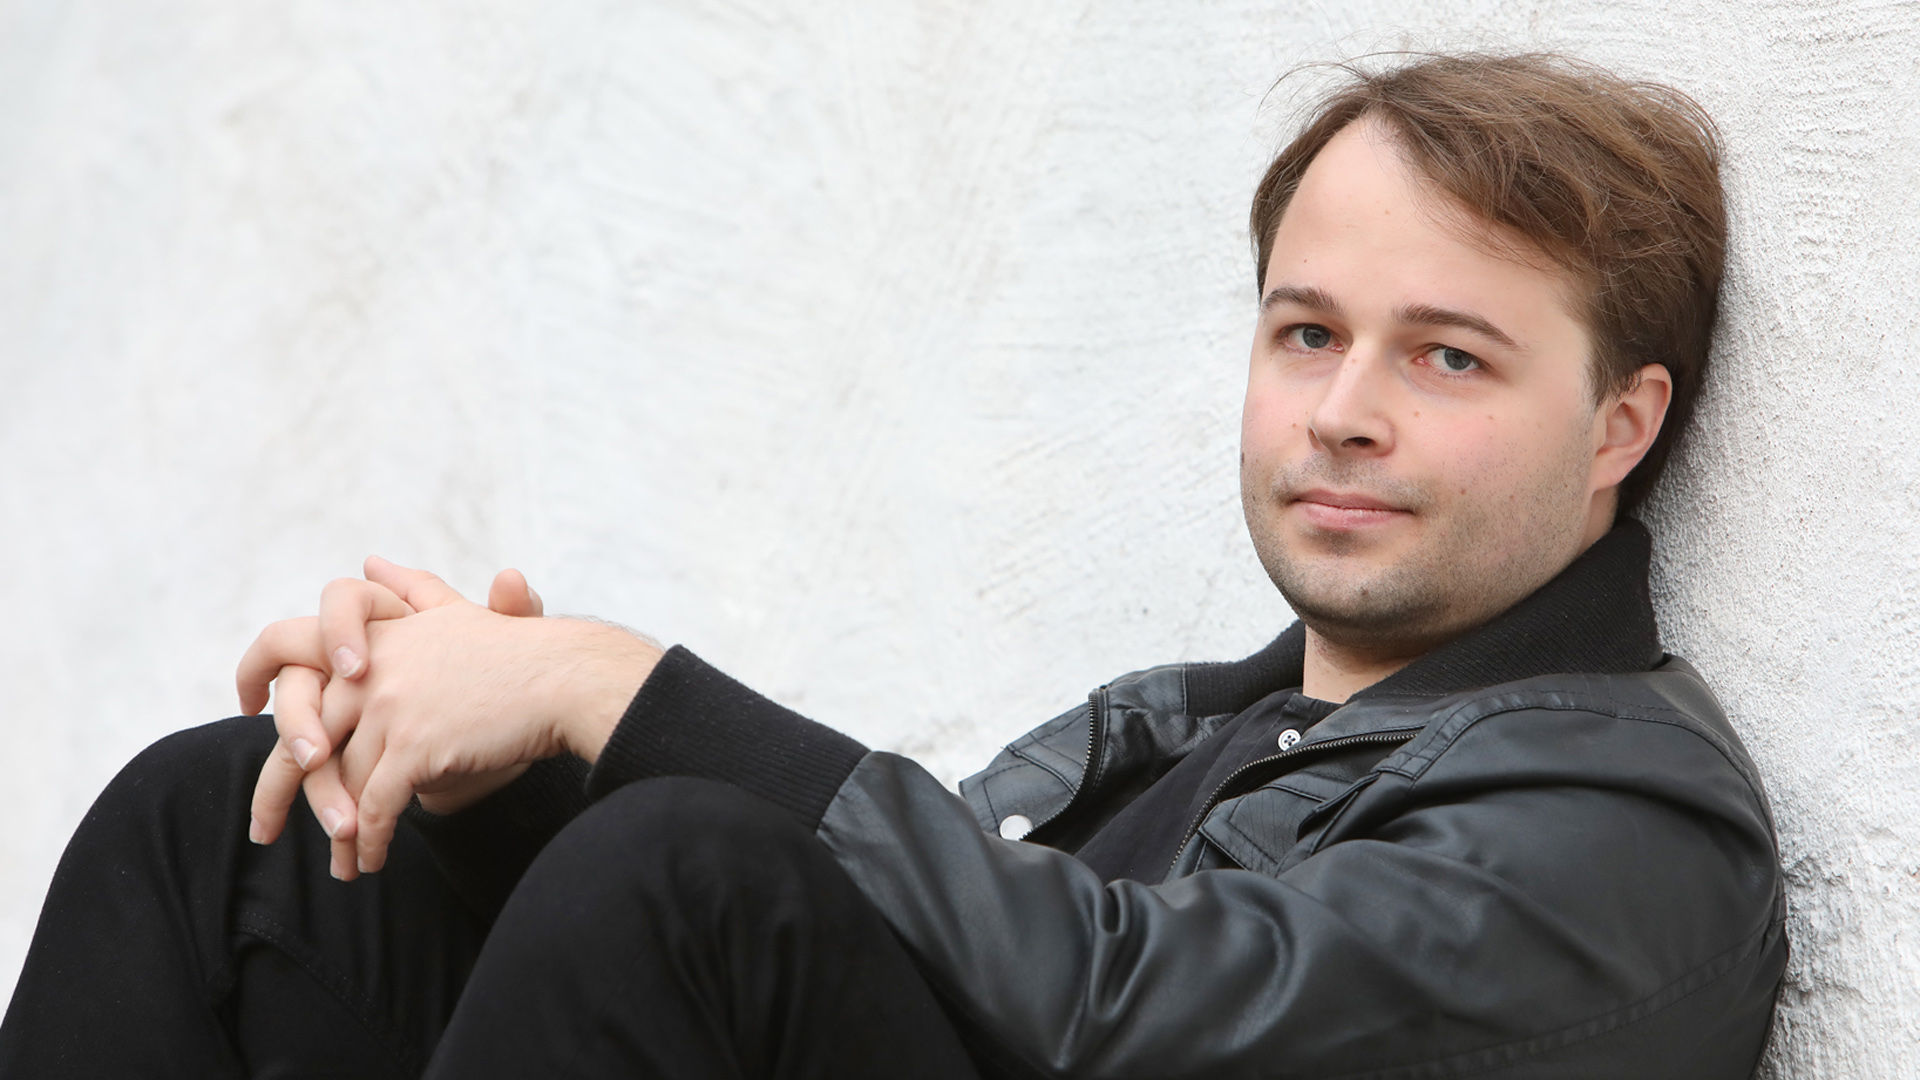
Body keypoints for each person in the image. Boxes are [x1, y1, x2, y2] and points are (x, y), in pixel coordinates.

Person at [1, 51, 1787, 1078]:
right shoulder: (1186, 733)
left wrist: (609, 693)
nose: (1343, 412)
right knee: (249, 822)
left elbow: (1131, 1013)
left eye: (1449, 358)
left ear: (1619, 427)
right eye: (1307, 332)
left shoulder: (1629, 823)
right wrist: (496, 762)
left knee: (688, 870)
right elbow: (893, 980)